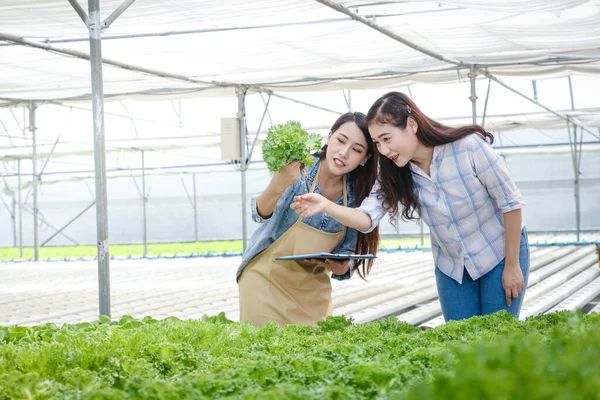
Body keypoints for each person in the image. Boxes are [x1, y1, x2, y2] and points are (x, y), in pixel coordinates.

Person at [291, 92, 529, 322]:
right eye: (377, 143)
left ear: (412, 125)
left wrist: (512, 265)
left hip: (499, 254)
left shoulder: (468, 148)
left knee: (498, 341)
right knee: (461, 347)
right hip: (453, 267)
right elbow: (366, 218)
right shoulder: (393, 171)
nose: (383, 150)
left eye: (387, 139)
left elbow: (510, 203)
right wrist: (325, 205)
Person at [237, 112, 380, 327]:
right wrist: (279, 183)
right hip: (265, 280)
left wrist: (338, 266)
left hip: (312, 291)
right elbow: (259, 213)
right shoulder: (299, 167)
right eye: (341, 140)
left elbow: (348, 257)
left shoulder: (357, 195)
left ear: (365, 159)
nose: (344, 153)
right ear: (329, 137)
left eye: (356, 150)